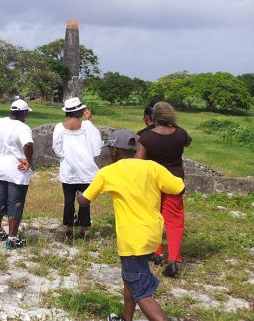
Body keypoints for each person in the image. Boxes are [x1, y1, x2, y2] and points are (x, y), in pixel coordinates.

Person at [76, 129, 185, 321]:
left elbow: (85, 201)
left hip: (132, 241)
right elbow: (178, 187)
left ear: (116, 151)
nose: (109, 152)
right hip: (152, 236)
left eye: (110, 149)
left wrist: (78, 196)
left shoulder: (108, 172)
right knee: (130, 279)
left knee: (142, 293)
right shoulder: (152, 167)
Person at [135, 102, 192, 278]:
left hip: (154, 182)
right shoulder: (180, 133)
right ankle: (174, 260)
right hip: (175, 180)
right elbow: (187, 142)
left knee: (154, 216)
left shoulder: (146, 138)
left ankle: (157, 253)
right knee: (174, 222)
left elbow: (138, 162)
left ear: (153, 117)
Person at [0, 99, 34, 250]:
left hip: (1, 167)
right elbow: (28, 144)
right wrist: (28, 160)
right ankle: (13, 238)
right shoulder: (23, 127)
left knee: (0, 201)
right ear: (23, 113)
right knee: (15, 202)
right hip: (17, 169)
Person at [52, 96, 102, 238]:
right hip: (86, 170)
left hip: (68, 170)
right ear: (78, 111)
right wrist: (90, 119)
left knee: (68, 200)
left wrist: (67, 157)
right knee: (84, 200)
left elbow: (57, 149)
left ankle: (68, 227)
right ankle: (84, 227)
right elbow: (96, 141)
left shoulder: (59, 127)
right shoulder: (86, 126)